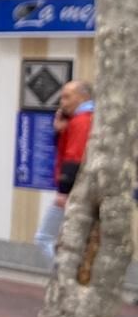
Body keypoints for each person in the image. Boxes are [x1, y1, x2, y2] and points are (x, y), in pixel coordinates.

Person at [36, 79, 94, 264]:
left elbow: (73, 157)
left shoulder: (81, 121)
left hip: (71, 191)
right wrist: (60, 131)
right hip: (79, 191)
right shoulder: (81, 120)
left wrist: (63, 191)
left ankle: (63, 278)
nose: (63, 101)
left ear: (82, 97)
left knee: (43, 238)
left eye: (67, 97)